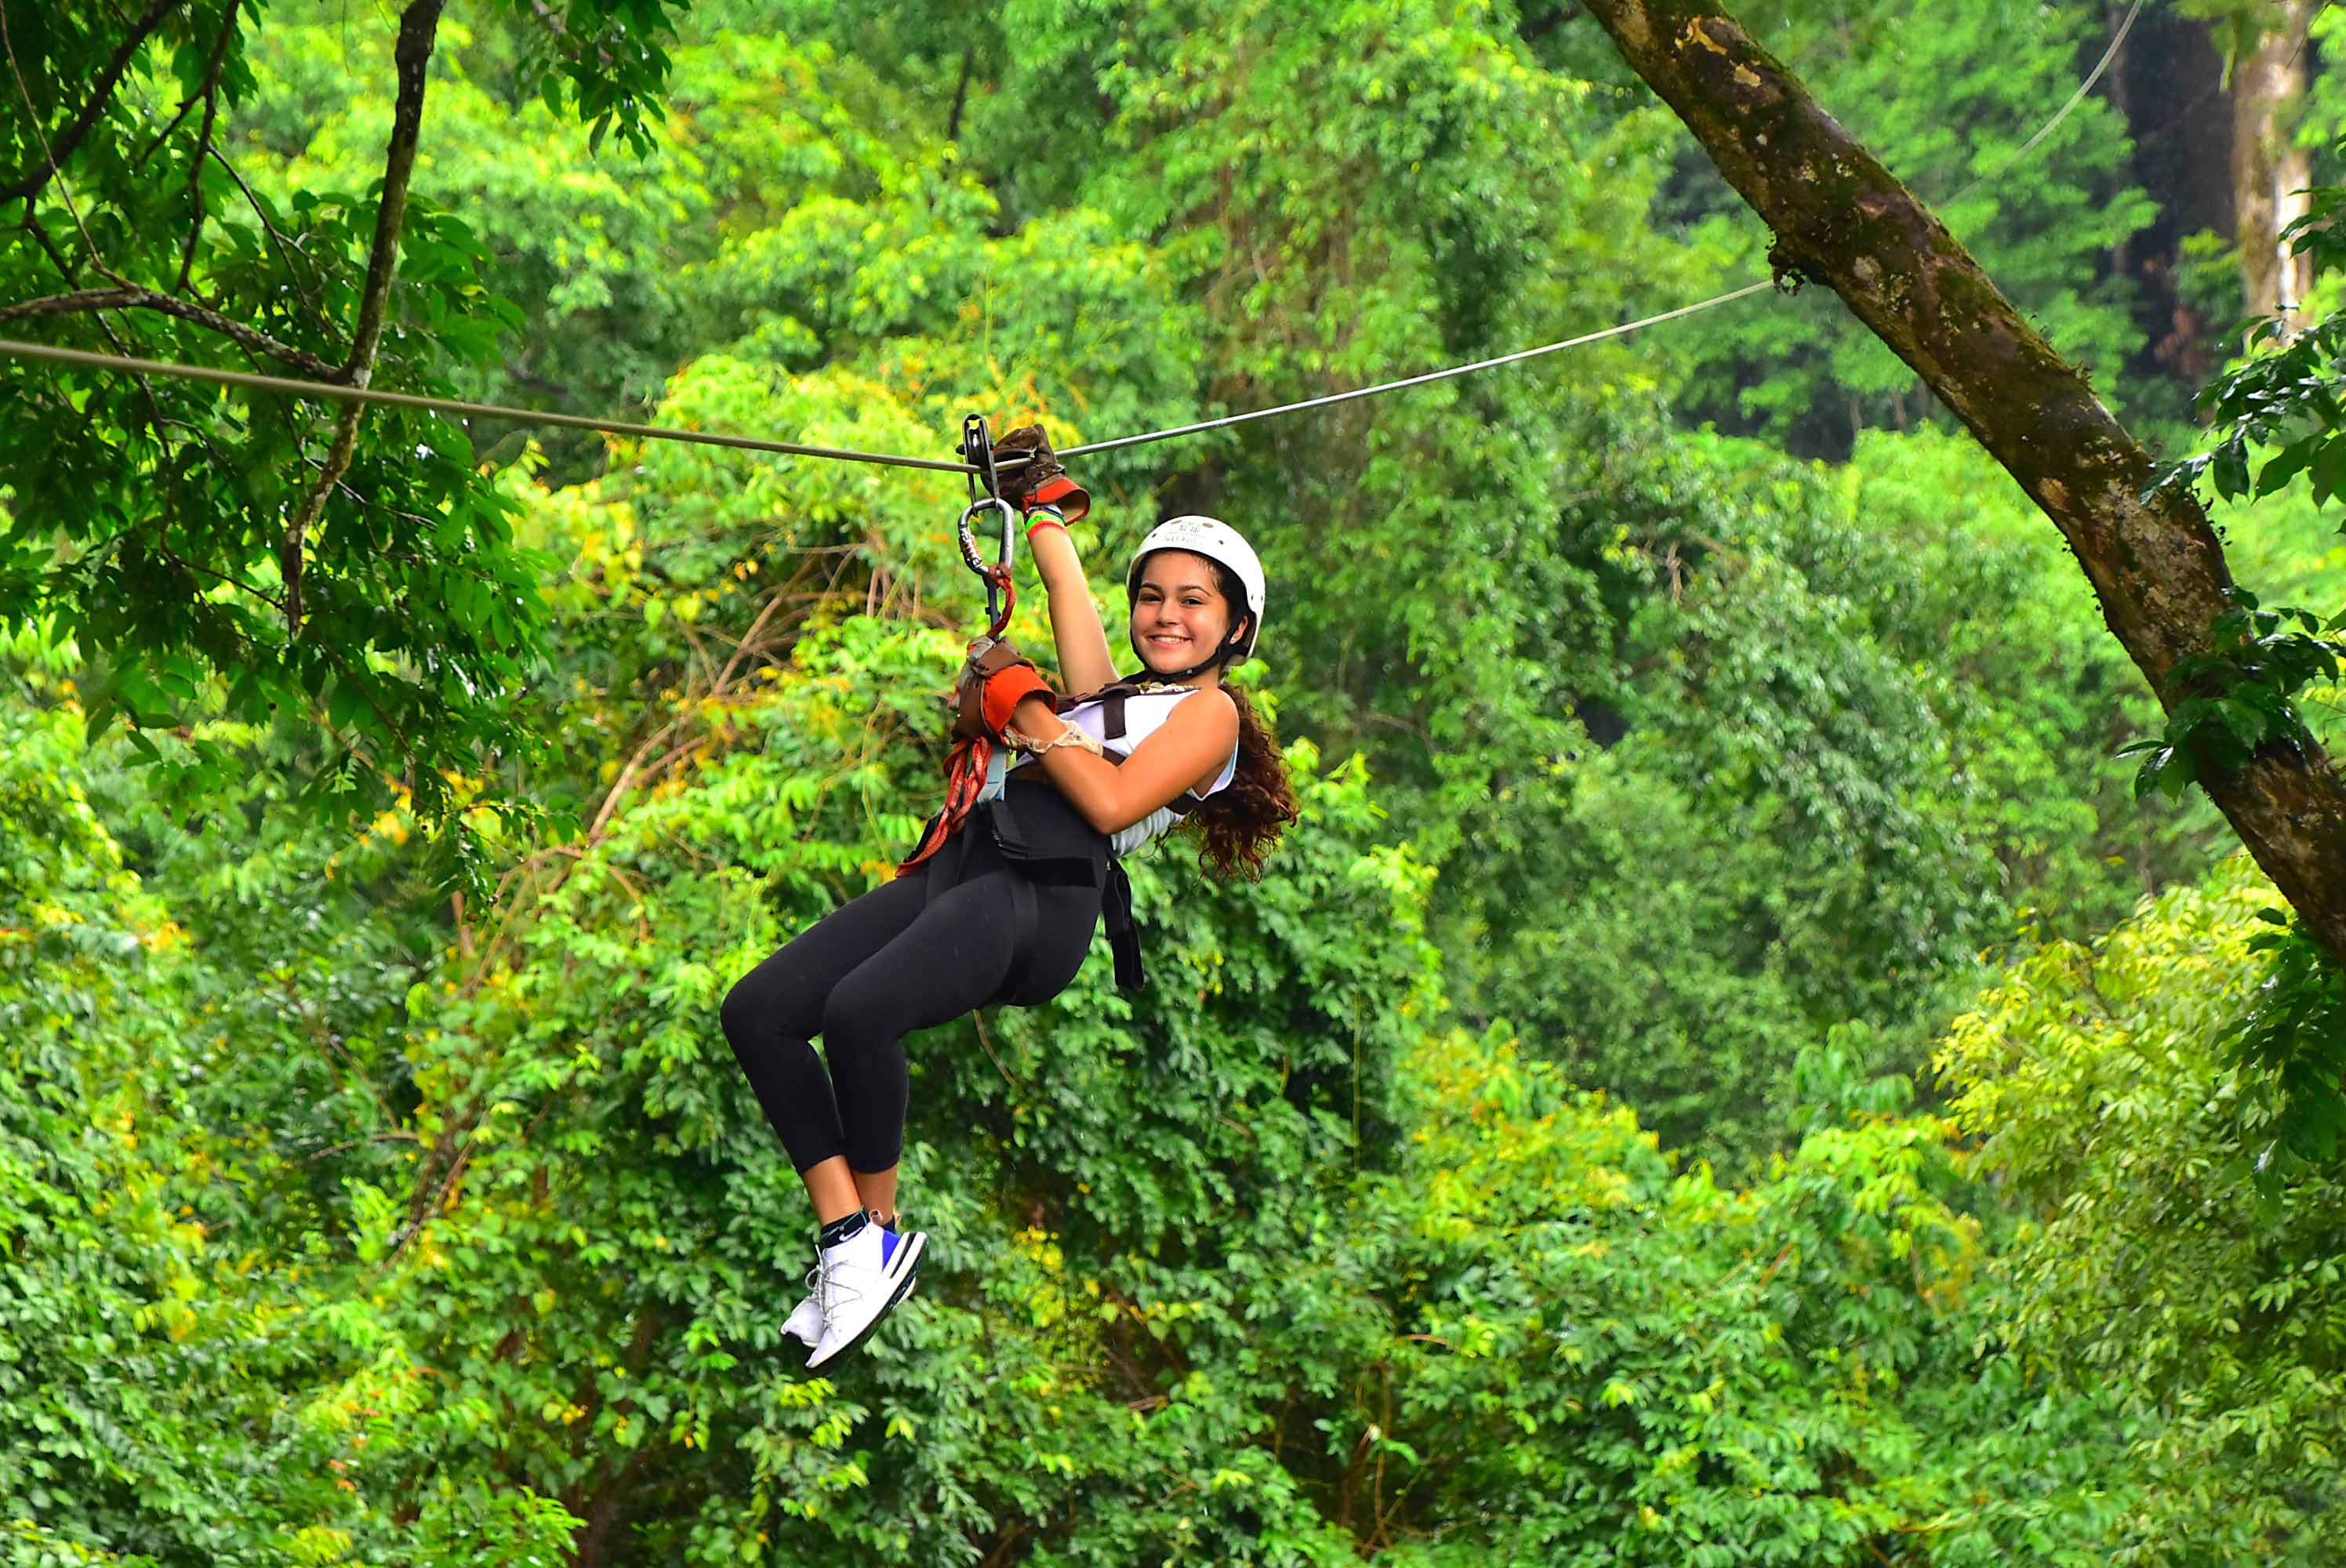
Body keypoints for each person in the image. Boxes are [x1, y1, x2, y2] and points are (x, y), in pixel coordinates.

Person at [721, 426, 1299, 1368]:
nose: (1165, 615)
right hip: (970, 861)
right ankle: (853, 1243)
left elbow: (1109, 799)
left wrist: (1026, 710)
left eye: (1193, 602)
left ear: (1235, 627)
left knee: (861, 1012)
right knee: (760, 1012)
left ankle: (872, 1235)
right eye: (1152, 596)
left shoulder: (1210, 714)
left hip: (1045, 894)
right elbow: (1071, 604)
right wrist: (1035, 505)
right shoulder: (1112, 699)